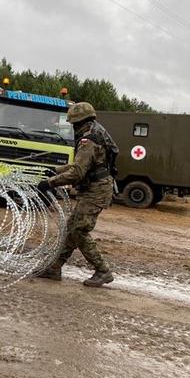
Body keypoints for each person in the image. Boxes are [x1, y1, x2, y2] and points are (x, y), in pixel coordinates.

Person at [36, 102, 118, 287]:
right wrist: (55, 170)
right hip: (95, 188)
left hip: (96, 191)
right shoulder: (96, 133)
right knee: (71, 228)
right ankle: (54, 268)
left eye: (73, 124)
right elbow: (81, 167)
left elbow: (78, 172)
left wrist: (50, 183)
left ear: (79, 122)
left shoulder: (88, 140)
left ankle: (103, 270)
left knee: (79, 230)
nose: (73, 127)